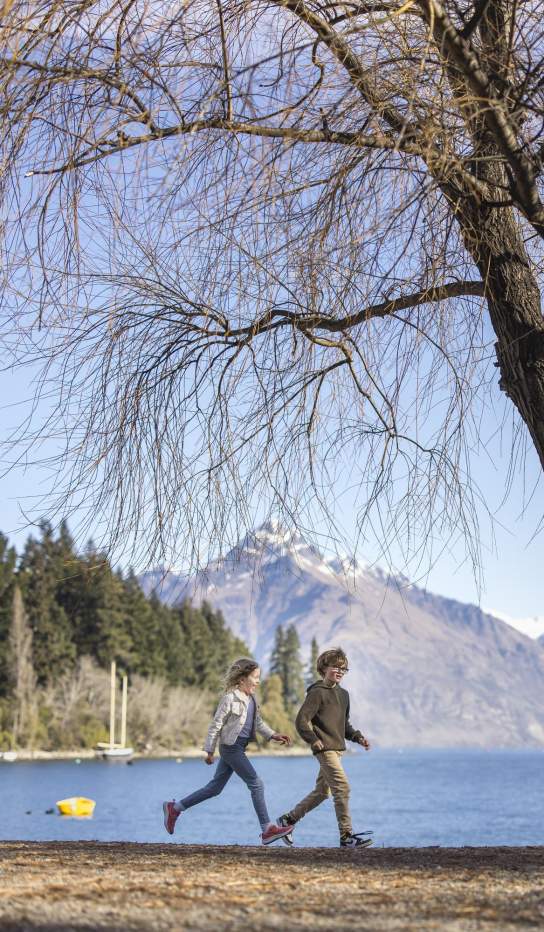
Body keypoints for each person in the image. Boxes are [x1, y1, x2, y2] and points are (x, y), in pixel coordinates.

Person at [162, 657, 294, 845]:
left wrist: (273, 735)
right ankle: (267, 829)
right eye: (255, 677)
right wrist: (209, 751)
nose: (258, 681)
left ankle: (175, 808)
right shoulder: (230, 699)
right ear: (242, 679)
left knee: (214, 788)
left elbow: (258, 723)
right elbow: (216, 725)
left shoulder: (252, 700)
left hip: (238, 748)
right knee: (256, 784)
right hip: (231, 748)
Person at [276, 647, 373, 848]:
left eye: (343, 669)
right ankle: (346, 836)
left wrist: (358, 737)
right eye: (335, 667)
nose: (339, 671)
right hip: (325, 750)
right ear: (324, 668)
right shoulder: (317, 693)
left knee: (322, 792)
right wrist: (313, 739)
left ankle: (289, 820)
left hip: (338, 751)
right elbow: (301, 721)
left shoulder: (344, 695)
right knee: (342, 788)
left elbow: (344, 725)